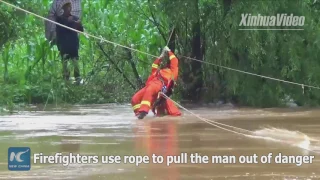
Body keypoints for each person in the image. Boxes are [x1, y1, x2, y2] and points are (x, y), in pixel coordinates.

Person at [131, 46, 181, 119]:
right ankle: (139, 115)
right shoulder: (157, 72)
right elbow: (154, 65)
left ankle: (143, 111)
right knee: (135, 98)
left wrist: (169, 51)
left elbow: (175, 60)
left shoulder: (172, 72)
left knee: (173, 113)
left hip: (160, 86)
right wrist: (160, 57)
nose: (163, 62)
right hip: (151, 87)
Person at [55, 1, 84, 84]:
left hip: (73, 43)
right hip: (64, 44)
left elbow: (81, 30)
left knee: (75, 60)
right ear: (63, 9)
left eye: (70, 7)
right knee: (65, 61)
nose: (69, 8)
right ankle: (66, 78)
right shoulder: (59, 19)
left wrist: (79, 24)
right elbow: (59, 31)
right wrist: (68, 22)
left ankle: (77, 77)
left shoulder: (75, 18)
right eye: (67, 7)